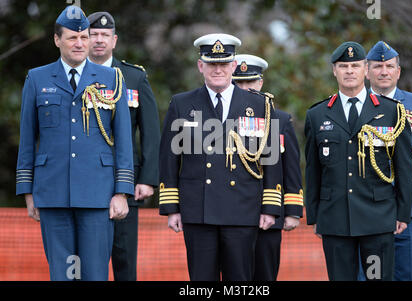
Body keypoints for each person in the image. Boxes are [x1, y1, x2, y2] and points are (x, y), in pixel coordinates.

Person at [15, 6, 134, 281]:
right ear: (57, 40)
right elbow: (27, 139)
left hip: (98, 194)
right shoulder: (37, 78)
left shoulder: (112, 79)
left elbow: (124, 140)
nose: (80, 43)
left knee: (94, 274)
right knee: (63, 274)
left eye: (84, 37)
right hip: (53, 192)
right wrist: (27, 191)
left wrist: (122, 191)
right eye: (72, 38)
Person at [158, 33, 282, 281]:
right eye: (211, 64)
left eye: (223, 64)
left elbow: (271, 161)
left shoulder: (260, 106)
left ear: (233, 66)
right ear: (200, 65)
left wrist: (270, 207)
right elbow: (169, 159)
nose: (218, 69)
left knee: (240, 281)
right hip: (198, 210)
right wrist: (171, 208)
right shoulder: (182, 104)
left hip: (243, 209)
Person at [304, 41, 412, 280]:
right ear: (334, 70)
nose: (349, 71)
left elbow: (403, 166)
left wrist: (403, 213)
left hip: (378, 218)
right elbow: (313, 170)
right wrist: (314, 216)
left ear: (365, 69)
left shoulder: (391, 111)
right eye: (343, 66)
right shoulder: (317, 114)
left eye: (355, 65)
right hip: (335, 218)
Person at [87, 11, 160, 281]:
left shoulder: (134, 78)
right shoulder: (74, 77)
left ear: (114, 40)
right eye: (93, 34)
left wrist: (148, 179)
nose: (98, 40)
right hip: (86, 179)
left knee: (124, 258)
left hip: (125, 180)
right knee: (87, 259)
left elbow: (151, 132)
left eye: (105, 35)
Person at [365, 41, 412, 281]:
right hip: (366, 203)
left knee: (406, 272)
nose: (384, 71)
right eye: (378, 66)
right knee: (368, 273)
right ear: (367, 72)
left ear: (398, 71)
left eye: (389, 66)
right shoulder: (356, 105)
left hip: (410, 206)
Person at [232, 54, 303, 280]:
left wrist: (292, 211)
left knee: (265, 276)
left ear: (260, 83)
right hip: (230, 215)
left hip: (268, 215)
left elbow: (291, 169)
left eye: (250, 82)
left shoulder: (280, 120)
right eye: (238, 83)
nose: (244, 88)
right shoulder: (222, 120)